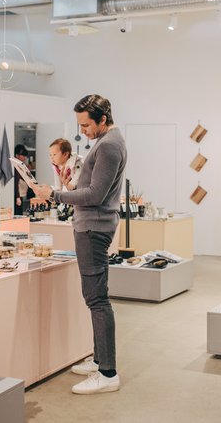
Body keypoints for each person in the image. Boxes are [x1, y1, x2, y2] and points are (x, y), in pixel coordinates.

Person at [34, 94, 127, 395]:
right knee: (95, 296)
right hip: (92, 225)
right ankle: (100, 359)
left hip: (93, 228)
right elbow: (91, 189)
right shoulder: (107, 141)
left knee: (97, 299)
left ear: (102, 119)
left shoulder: (110, 145)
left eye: (86, 125)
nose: (82, 131)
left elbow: (95, 195)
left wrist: (56, 195)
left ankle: (108, 373)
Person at [13, 144, 34, 216]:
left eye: (25, 156)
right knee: (18, 214)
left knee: (20, 213)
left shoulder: (21, 165)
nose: (25, 157)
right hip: (18, 194)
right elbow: (16, 182)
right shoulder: (16, 166)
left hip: (21, 194)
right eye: (23, 155)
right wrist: (17, 197)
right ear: (17, 155)